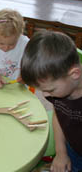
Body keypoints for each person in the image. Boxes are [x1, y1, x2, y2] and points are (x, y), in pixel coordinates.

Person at [21, 30, 82, 172]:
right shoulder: (59, 90)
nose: (46, 96)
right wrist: (61, 152)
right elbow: (59, 115)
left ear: (74, 74)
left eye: (51, 90)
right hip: (72, 148)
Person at [0, 8, 29, 88]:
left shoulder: (26, 44)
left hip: (17, 87)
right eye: (1, 43)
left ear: (19, 35)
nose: (6, 48)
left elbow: (34, 66)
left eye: (11, 44)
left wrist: (27, 76)